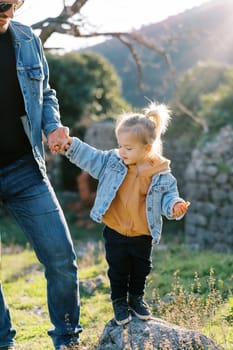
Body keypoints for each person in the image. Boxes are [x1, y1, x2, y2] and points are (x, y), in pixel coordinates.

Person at [55, 101, 190, 326]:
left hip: (143, 234)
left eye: (128, 148)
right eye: (120, 145)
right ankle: (119, 301)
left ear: (147, 149)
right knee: (117, 269)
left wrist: (175, 206)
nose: (122, 151)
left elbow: (169, 197)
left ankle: (136, 299)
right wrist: (70, 145)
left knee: (141, 270)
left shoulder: (161, 174)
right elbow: (91, 156)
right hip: (115, 230)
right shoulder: (112, 162)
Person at [0, 1, 82, 349]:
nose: (8, 14)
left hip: (24, 167)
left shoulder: (26, 39)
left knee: (61, 258)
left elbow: (45, 93)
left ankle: (67, 338)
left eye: (10, 6)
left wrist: (52, 127)